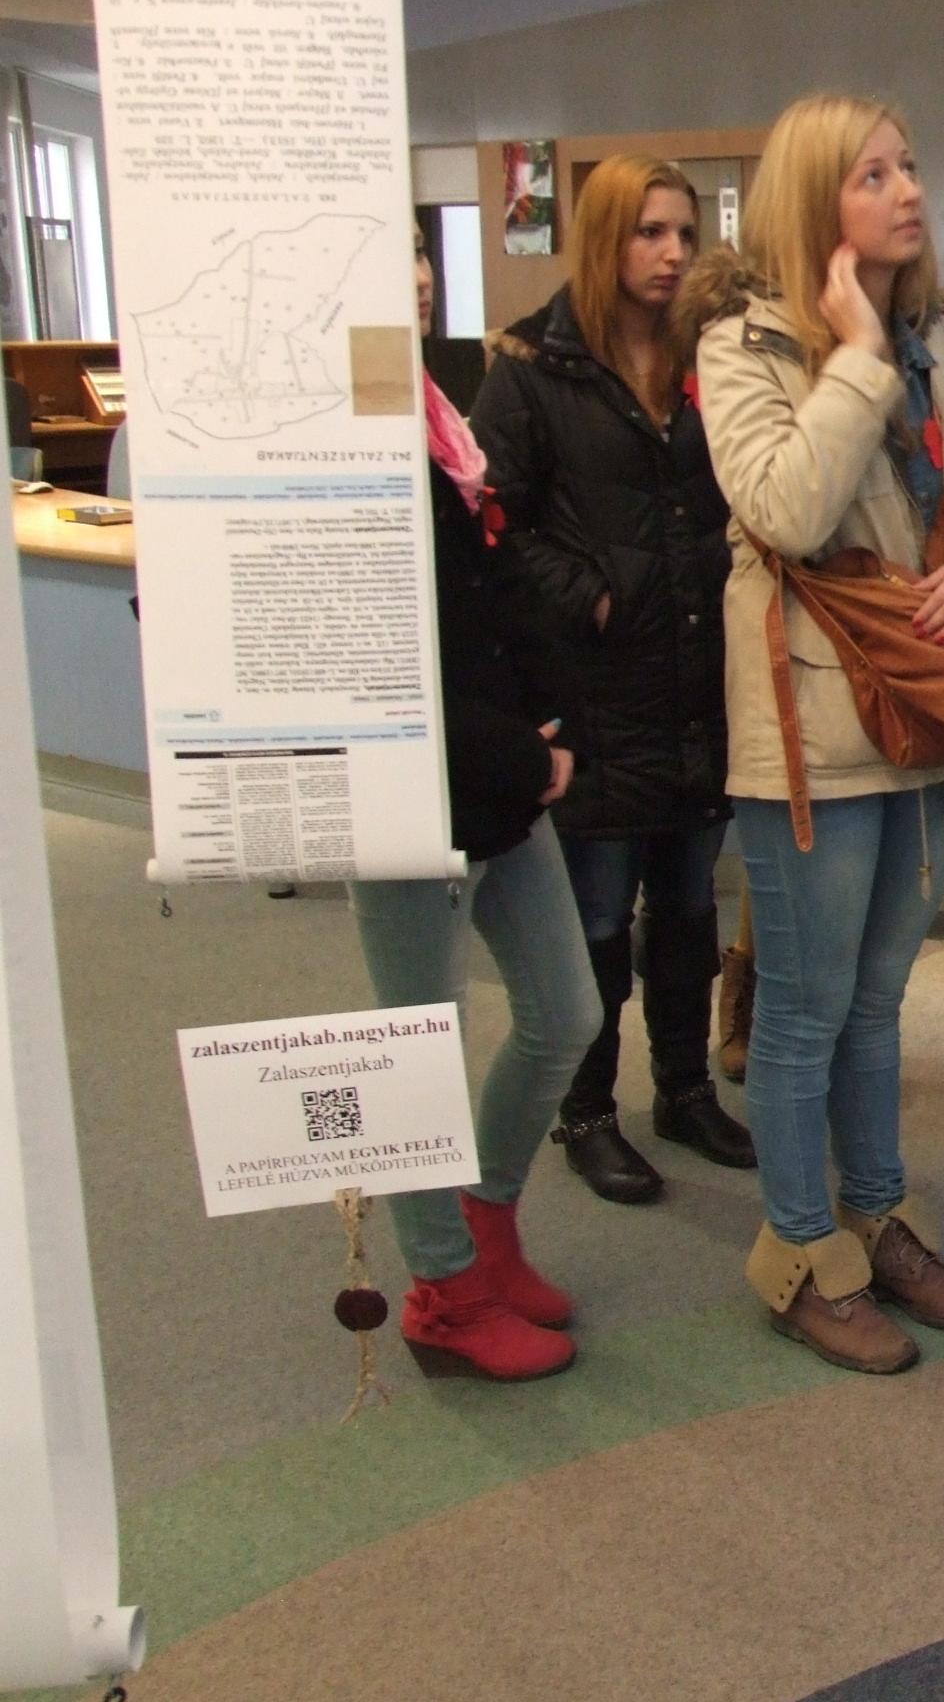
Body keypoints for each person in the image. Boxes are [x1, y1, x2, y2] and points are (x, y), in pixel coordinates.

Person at [687, 92, 944, 1375]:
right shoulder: (745, 347)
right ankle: (803, 1253)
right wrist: (854, 350)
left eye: (909, 166)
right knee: (804, 1011)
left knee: (877, 1000)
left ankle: (878, 1214)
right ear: (814, 202)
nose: (908, 190)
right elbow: (789, 509)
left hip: (936, 718)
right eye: (872, 175)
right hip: (815, 727)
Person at [473, 155, 753, 1205]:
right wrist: (589, 594)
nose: (672, 253)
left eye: (683, 232)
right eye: (648, 232)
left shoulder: (710, 356)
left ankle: (683, 1090)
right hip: (597, 691)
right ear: (602, 239)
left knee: (685, 912)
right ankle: (585, 1111)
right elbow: (488, 522)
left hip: (699, 684)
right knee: (596, 918)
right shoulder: (532, 370)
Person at [351, 230, 602, 1383]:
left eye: (416, 252)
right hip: (406, 790)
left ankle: (487, 1225)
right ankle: (443, 1293)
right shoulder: (332, 436)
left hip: (498, 776)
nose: (415, 276)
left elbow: (492, 588)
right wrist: (518, 750)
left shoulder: (431, 407)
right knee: (417, 1050)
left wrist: (552, 722)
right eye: (384, 257)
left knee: (565, 1014)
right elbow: (371, 653)